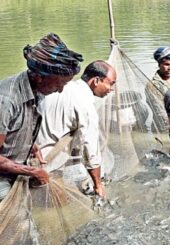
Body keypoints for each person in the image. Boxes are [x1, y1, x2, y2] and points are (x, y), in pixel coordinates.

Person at [0, 33, 83, 201]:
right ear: (39, 77)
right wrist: (31, 171)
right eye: (59, 84)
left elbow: (18, 124)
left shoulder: (37, 89)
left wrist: (30, 143)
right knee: (15, 221)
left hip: (13, 167)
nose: (60, 90)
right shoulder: (7, 101)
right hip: (2, 177)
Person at [37, 61, 116, 197]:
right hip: (48, 166)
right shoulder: (85, 106)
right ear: (96, 80)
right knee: (59, 205)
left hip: (30, 158)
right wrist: (98, 185)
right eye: (111, 83)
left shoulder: (60, 87)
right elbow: (90, 150)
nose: (111, 89)